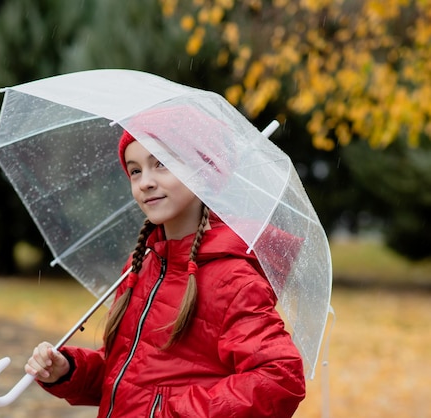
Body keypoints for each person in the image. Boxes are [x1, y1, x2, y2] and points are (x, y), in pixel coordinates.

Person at [25, 129, 306, 417]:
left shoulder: (232, 280)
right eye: (135, 171)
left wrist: (172, 413)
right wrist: (69, 370)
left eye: (161, 163)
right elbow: (127, 376)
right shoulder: (140, 265)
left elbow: (280, 377)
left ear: (204, 173)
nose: (145, 182)